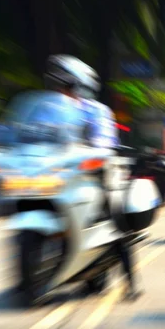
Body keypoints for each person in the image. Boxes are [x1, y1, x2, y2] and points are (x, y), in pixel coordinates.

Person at [44, 55, 141, 300]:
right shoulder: (54, 112)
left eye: (66, 86)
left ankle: (131, 284)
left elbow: (104, 143)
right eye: (59, 86)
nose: (62, 91)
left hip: (96, 175)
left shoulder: (97, 111)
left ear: (80, 85)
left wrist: (88, 152)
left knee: (115, 225)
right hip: (63, 176)